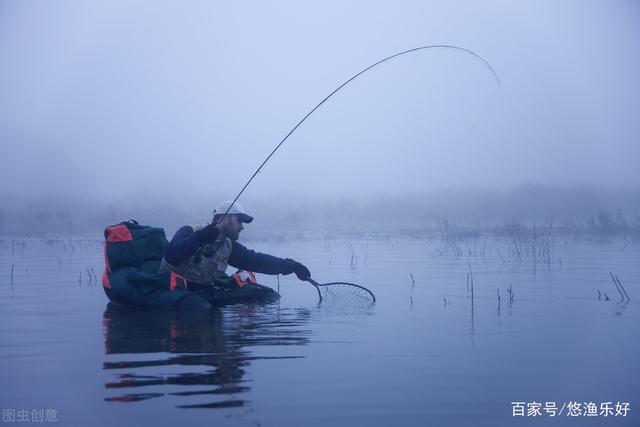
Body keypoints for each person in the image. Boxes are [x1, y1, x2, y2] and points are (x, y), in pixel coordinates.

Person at [159, 201, 311, 286]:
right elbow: (172, 254)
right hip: (173, 292)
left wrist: (292, 266)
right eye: (239, 221)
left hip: (200, 293)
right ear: (225, 219)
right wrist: (200, 238)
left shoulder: (228, 246)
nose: (242, 227)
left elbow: (256, 261)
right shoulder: (189, 231)